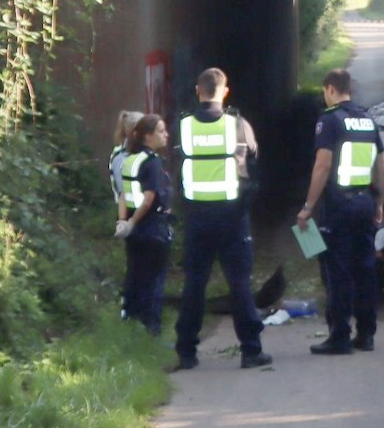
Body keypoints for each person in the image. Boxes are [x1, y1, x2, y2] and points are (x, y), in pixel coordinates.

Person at [171, 68, 271, 370]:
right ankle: (251, 351)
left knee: (194, 285)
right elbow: (254, 165)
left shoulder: (183, 126)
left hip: (196, 217)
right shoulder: (239, 125)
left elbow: (175, 166)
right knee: (240, 283)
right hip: (232, 217)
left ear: (197, 90)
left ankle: (186, 353)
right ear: (224, 92)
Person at [296, 69, 384, 355]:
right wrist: (380, 202)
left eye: (325, 92)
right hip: (364, 204)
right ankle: (367, 334)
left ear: (331, 89)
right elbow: (382, 166)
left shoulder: (330, 120)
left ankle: (340, 336)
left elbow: (323, 165)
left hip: (338, 206)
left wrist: (308, 206)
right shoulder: (368, 120)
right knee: (365, 269)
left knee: (338, 272)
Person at [114, 114, 174, 335]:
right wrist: (134, 220)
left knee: (135, 276)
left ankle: (131, 321)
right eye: (160, 131)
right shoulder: (152, 162)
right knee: (154, 281)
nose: (165, 135)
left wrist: (125, 222)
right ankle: (151, 330)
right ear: (148, 136)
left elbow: (123, 194)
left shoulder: (130, 159)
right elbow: (149, 199)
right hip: (153, 228)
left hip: (134, 231)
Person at [107, 109, 145, 321]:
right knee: (136, 265)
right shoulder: (122, 158)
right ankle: (130, 311)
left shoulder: (130, 155)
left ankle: (135, 310)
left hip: (135, 213)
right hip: (132, 214)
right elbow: (125, 192)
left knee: (139, 264)